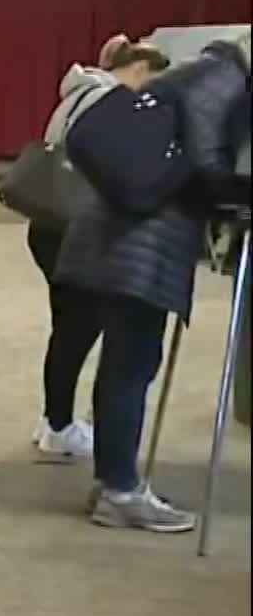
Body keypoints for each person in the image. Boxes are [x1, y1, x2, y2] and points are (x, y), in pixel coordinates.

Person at [54, 34, 251, 532]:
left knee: (123, 361)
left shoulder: (194, 73)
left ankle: (112, 479)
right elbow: (207, 158)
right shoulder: (220, 79)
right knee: (132, 363)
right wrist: (234, 190)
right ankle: (120, 490)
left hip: (114, 233)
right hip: (142, 240)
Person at [25, 36, 170, 461]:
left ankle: (55, 418)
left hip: (49, 225)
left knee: (69, 327)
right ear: (140, 70)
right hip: (74, 229)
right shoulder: (106, 102)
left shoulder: (77, 91)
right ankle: (58, 425)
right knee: (78, 330)